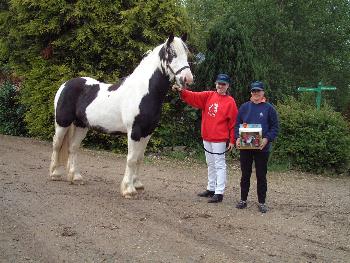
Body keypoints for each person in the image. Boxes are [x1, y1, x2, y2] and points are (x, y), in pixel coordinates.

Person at [173, 74, 238, 203]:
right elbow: (194, 96)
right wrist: (182, 91)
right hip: (207, 136)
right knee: (210, 163)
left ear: (227, 86)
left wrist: (232, 140)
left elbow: (233, 123)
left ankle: (219, 193)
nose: (220, 86)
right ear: (216, 84)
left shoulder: (230, 101)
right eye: (219, 83)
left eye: (223, 84)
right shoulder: (209, 95)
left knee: (219, 164)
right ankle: (211, 188)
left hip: (219, 138)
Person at [234, 81, 279, 213]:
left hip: (262, 149)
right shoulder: (244, 107)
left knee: (261, 175)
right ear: (251, 93)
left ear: (263, 92)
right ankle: (243, 200)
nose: (256, 93)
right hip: (245, 148)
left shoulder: (269, 108)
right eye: (254, 91)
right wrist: (237, 137)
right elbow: (237, 124)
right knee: (245, 175)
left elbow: (275, 128)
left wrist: (267, 138)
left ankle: (262, 202)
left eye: (258, 91)